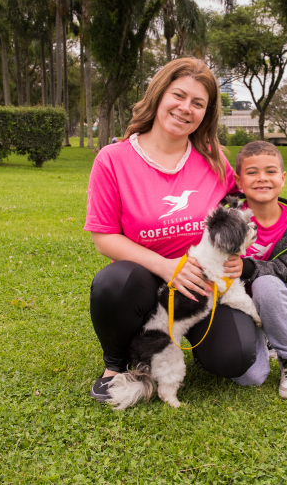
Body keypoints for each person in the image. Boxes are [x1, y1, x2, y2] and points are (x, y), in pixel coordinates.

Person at [85, 58, 261, 402]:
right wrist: (168, 267)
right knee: (114, 282)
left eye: (198, 103)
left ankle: (191, 341)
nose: (185, 108)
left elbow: (251, 202)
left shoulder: (213, 159)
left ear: (206, 114)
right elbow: (104, 238)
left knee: (234, 356)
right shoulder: (113, 159)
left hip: (202, 287)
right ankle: (116, 365)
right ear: (159, 95)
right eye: (178, 95)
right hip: (145, 282)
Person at [228, 141, 287, 398]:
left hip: (271, 297)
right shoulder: (227, 216)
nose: (262, 178)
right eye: (252, 172)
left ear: (283, 178)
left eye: (270, 171)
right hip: (233, 302)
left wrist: (246, 267)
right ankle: (260, 338)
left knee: (266, 283)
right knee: (250, 377)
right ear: (239, 180)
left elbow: (284, 270)